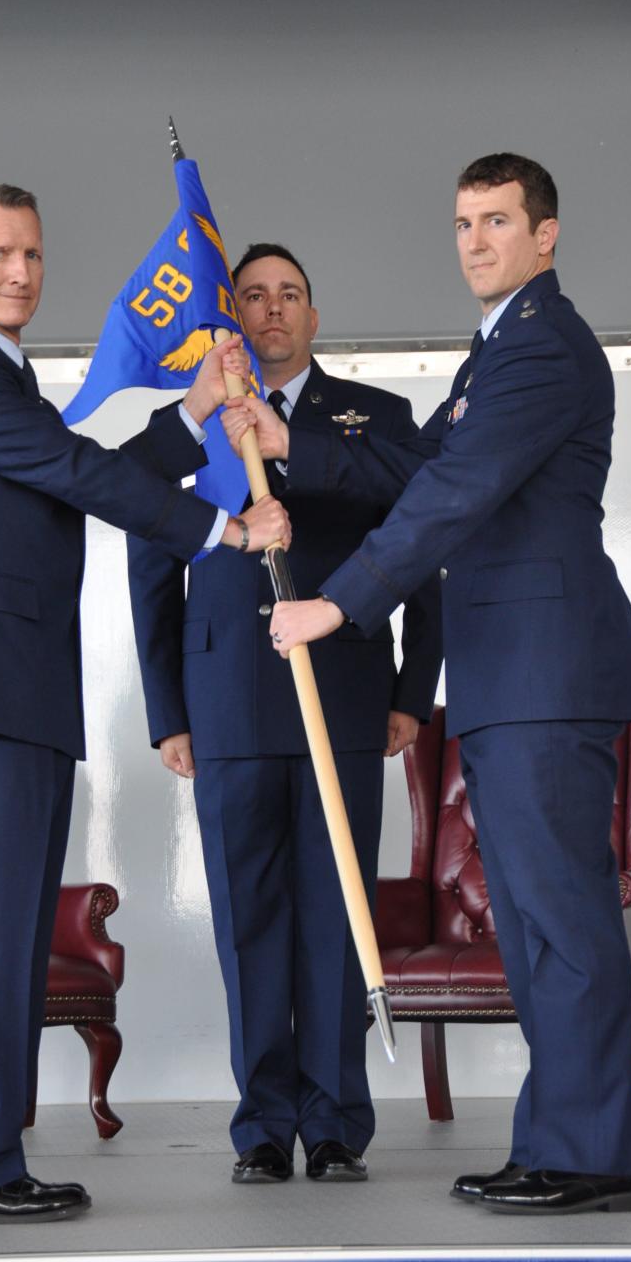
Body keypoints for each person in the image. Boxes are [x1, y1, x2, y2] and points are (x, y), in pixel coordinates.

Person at [226, 156, 631, 1215]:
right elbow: (420, 468)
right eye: (464, 221)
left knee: (563, 917)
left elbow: (452, 497)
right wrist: (296, 447)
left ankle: (594, 1154)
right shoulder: (497, 348)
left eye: (498, 221)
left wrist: (340, 603)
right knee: (533, 921)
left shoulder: (543, 346)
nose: (475, 240)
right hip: (514, 674)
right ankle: (561, 1140)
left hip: (549, 671)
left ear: (546, 234)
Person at [0, 183, 290, 1225]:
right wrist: (222, 531)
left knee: (7, 933)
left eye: (33, 252)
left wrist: (192, 413)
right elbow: (72, 469)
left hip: (12, 694)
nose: (20, 271)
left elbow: (62, 477)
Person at [128, 244, 441, 1184]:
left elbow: (426, 548)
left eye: (288, 296)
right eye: (252, 296)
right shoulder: (188, 429)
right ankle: (263, 1123)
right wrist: (166, 708)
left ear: (314, 316)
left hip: (345, 693)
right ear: (232, 315)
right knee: (249, 914)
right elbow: (152, 565)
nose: (271, 311)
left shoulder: (378, 419)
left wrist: (410, 693)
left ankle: (336, 1119)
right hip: (226, 702)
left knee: (337, 910)